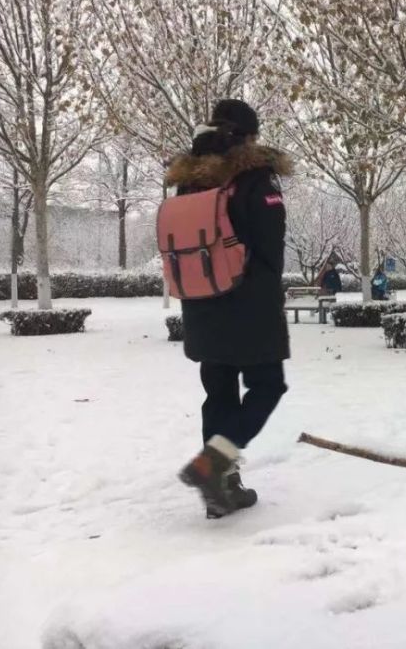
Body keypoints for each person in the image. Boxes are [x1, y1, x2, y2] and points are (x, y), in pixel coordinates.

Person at [167, 98, 294, 519]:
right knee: (267, 385)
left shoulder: (188, 183)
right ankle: (214, 467)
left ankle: (222, 489)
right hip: (249, 304)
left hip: (200, 304)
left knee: (218, 393)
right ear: (248, 136)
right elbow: (270, 250)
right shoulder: (255, 179)